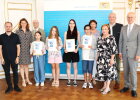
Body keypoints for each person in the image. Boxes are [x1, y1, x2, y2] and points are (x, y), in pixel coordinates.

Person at [119, 12, 140, 97]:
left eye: (131, 17)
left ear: (134, 18)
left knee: (133, 72)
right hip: (124, 53)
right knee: (126, 71)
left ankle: (134, 89)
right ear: (127, 18)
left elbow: (139, 42)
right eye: (128, 17)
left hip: (134, 54)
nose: (130, 19)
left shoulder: (138, 28)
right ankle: (126, 86)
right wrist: (120, 52)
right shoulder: (123, 28)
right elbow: (120, 41)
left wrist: (138, 53)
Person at [0, 22, 22, 94]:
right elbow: (0, 48)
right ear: (5, 27)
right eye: (7, 26)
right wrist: (1, 58)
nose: (8, 27)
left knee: (15, 72)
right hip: (5, 58)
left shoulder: (16, 36)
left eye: (9, 26)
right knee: (7, 73)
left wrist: (18, 57)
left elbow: (18, 47)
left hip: (14, 58)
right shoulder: (1, 36)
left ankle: (16, 86)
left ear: (11, 27)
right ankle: (9, 87)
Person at [95, 24, 117, 94]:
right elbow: (98, 49)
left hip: (108, 58)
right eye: (103, 29)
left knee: (109, 72)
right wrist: (97, 57)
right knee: (103, 73)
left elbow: (114, 49)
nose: (104, 30)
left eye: (105, 29)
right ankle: (104, 86)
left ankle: (107, 87)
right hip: (101, 58)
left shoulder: (111, 37)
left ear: (108, 30)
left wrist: (112, 59)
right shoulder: (99, 38)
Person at [63, 19, 80, 87]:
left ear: (75, 24)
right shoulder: (66, 33)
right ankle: (69, 80)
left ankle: (75, 80)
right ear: (69, 24)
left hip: (75, 51)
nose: (71, 24)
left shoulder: (77, 32)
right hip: (68, 52)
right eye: (70, 23)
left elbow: (79, 43)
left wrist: (77, 49)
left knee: (75, 67)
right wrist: (64, 49)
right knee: (68, 67)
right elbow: (64, 42)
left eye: (73, 23)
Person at [16, 18, 33, 87]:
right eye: (22, 23)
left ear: (27, 24)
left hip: (27, 51)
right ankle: (23, 80)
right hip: (20, 51)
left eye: (25, 23)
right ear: (20, 24)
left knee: (26, 66)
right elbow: (15, 42)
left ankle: (27, 79)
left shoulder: (29, 32)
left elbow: (31, 43)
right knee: (21, 66)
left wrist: (31, 51)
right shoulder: (17, 31)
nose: (23, 24)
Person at [108, 12, 123, 89]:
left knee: (117, 67)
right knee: (107, 67)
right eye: (110, 17)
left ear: (115, 18)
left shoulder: (120, 26)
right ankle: (106, 82)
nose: (111, 18)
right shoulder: (105, 26)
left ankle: (117, 82)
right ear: (108, 18)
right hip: (107, 52)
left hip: (117, 51)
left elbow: (122, 39)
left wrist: (121, 51)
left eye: (113, 17)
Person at [89, 20, 100, 85]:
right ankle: (89, 78)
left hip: (96, 50)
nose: (92, 25)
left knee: (95, 65)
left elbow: (99, 42)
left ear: (96, 25)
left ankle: (94, 78)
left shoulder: (98, 32)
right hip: (89, 50)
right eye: (91, 24)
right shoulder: (88, 31)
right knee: (90, 64)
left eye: (94, 24)